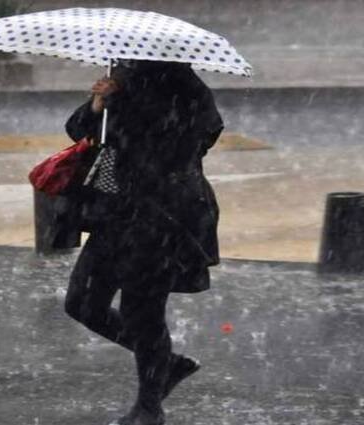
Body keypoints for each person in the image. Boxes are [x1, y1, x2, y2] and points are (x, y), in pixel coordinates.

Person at [62, 59, 223, 425]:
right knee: (83, 302)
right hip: (117, 211)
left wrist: (129, 102)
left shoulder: (184, 87)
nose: (122, 64)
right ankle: (165, 364)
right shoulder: (121, 77)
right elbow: (79, 130)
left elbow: (196, 138)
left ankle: (149, 406)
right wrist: (98, 104)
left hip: (165, 215)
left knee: (143, 313)